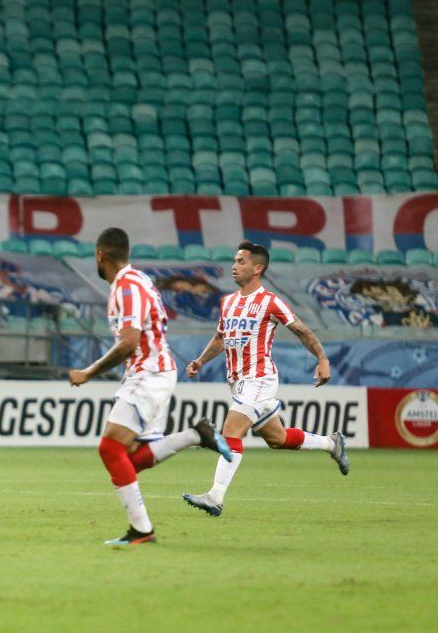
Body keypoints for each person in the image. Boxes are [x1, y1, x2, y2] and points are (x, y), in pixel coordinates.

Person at [69, 227, 232, 545]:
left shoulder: (128, 286)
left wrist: (89, 372)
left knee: (110, 448)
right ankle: (195, 435)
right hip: (152, 372)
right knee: (128, 459)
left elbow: (129, 342)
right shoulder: (138, 281)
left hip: (149, 373)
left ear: (101, 254)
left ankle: (142, 531)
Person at [182, 241, 350, 517]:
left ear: (258, 268)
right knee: (278, 438)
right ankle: (332, 444)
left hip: (259, 377)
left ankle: (215, 496)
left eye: (241, 262)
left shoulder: (271, 302)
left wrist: (322, 359)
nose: (234, 267)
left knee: (231, 431)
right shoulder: (228, 302)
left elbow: (302, 330)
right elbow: (220, 339)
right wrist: (200, 361)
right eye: (235, 261)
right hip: (239, 381)